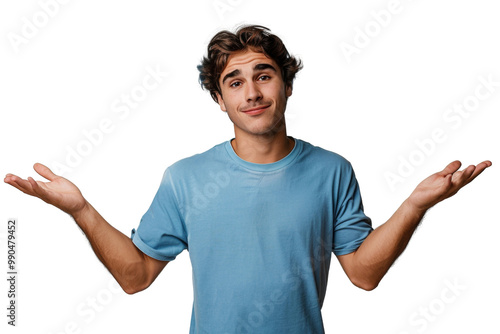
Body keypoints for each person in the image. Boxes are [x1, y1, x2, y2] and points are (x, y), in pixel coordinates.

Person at [4, 25, 491, 333]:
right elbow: (136, 278)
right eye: (234, 81)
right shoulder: (185, 178)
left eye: (264, 75)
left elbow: (363, 275)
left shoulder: (332, 171)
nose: (252, 92)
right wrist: (80, 210)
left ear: (287, 84)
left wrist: (415, 205)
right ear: (219, 98)